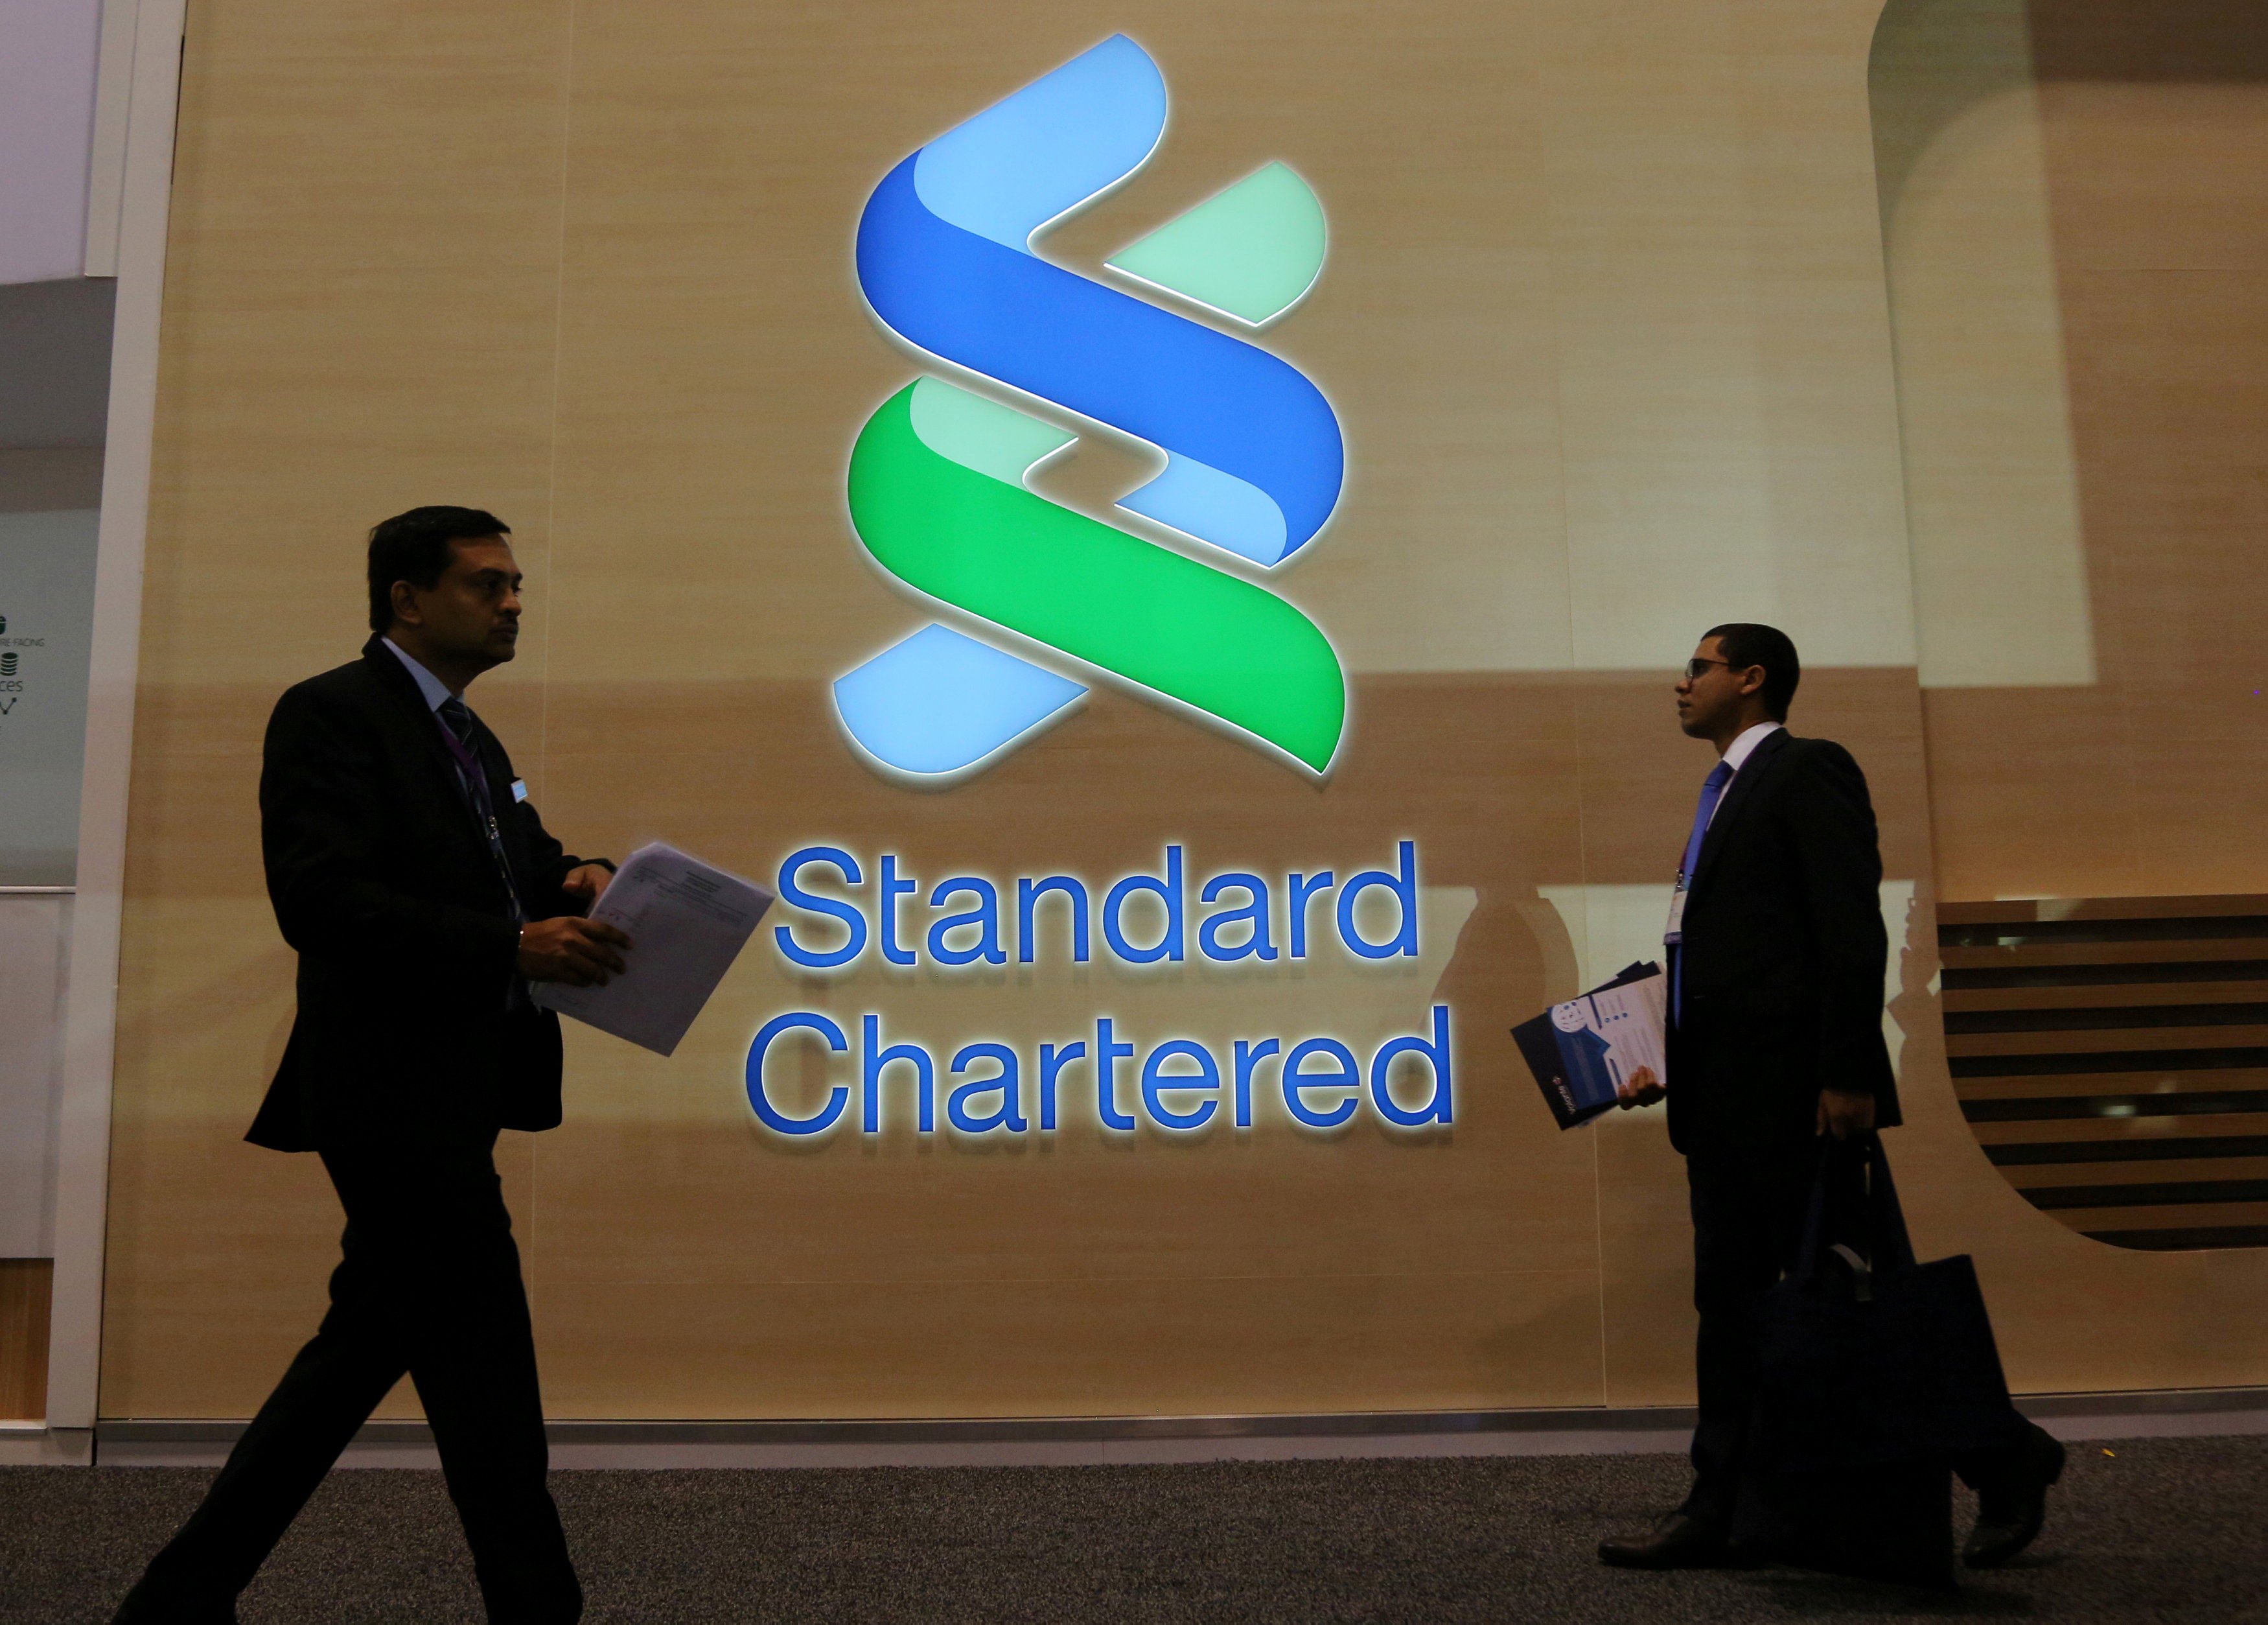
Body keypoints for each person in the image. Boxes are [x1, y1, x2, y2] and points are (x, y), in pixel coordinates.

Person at [113, 508, 631, 1624]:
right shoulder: (330, 715)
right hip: (386, 1092)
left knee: (366, 1350)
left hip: (460, 1085)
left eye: (517, 585)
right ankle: (539, 1605)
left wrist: (577, 876)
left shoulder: (472, 739)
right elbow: (321, 900)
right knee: (484, 1362)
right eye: (488, 585)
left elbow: (515, 866)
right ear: (407, 597)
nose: (513, 605)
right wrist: (510, 944)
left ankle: (178, 1597)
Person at [1595, 623, 2063, 1573]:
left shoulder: (1806, 771)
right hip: (1729, 1100)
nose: (1679, 684)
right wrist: (1663, 1051)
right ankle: (1992, 1461)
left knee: (1833, 1303)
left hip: (1796, 1103)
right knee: (1770, 1304)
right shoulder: (1721, 796)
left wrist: (1849, 1071)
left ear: (1751, 678)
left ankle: (1732, 1504)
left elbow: (1849, 927)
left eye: (1698, 667)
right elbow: (1738, 961)